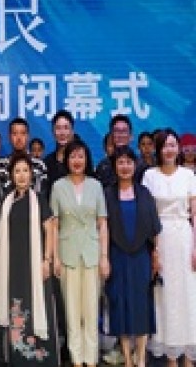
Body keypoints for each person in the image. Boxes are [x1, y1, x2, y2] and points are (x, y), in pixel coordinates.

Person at [51, 140, 110, 367]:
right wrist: (55, 257)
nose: (77, 161)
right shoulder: (58, 187)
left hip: (92, 253)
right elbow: (54, 224)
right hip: (67, 253)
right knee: (72, 311)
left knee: (91, 310)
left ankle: (91, 359)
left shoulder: (96, 186)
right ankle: (77, 360)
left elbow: (102, 223)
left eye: (81, 156)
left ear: (87, 159)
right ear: (67, 160)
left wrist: (104, 257)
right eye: (73, 156)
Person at [0, 152, 59, 366]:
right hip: (13, 266)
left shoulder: (38, 200)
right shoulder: (6, 202)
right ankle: (19, 359)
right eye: (17, 171)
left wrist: (47, 259)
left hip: (35, 264)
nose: (22, 175)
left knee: (38, 307)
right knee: (17, 309)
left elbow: (50, 229)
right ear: (11, 175)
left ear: (31, 174)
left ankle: (41, 359)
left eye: (25, 171)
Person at [142, 129, 196, 367]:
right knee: (166, 295)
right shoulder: (149, 176)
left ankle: (188, 355)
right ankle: (171, 357)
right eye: (165, 145)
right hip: (160, 239)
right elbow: (147, 215)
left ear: (178, 148)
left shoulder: (188, 175)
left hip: (184, 237)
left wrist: (195, 247)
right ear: (158, 149)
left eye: (173, 145)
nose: (169, 150)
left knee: (188, 294)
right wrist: (153, 250)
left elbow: (195, 214)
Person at [104, 146, 161, 367]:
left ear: (135, 165)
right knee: (120, 305)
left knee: (141, 304)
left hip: (141, 257)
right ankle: (127, 358)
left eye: (128, 162)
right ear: (114, 166)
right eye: (120, 162)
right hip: (117, 255)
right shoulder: (107, 194)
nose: (125, 166)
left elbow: (155, 227)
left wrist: (155, 254)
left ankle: (141, 357)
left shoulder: (144, 193)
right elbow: (102, 228)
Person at [0, 118, 48, 204]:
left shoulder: (39, 165)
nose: (19, 138)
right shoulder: (0, 165)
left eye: (23, 133)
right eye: (15, 133)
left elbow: (42, 196)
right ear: (9, 137)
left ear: (28, 136)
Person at [95, 114, 146, 187]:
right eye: (117, 131)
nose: (120, 135)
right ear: (111, 135)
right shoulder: (103, 166)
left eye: (124, 131)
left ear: (131, 136)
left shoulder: (141, 165)